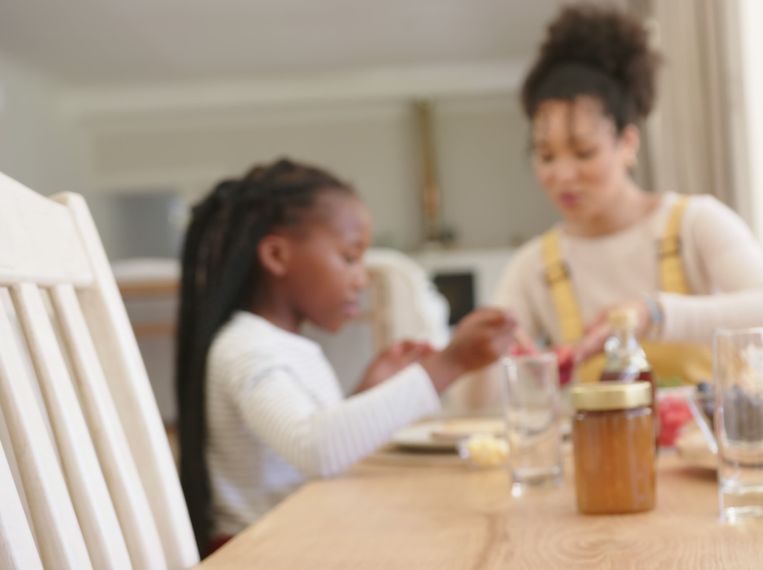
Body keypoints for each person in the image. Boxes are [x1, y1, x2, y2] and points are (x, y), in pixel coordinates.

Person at [175, 158, 515, 555]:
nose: (362, 277)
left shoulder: (282, 345)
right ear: (277, 256)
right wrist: (447, 365)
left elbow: (311, 450)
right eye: (350, 257)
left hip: (297, 542)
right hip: (259, 552)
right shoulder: (246, 349)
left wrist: (367, 393)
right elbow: (316, 449)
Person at [494, 4, 763, 385]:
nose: (562, 175)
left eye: (584, 152)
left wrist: (653, 314)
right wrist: (485, 357)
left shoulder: (694, 223)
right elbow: (476, 406)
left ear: (627, 142)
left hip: (706, 443)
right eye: (545, 156)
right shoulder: (534, 267)